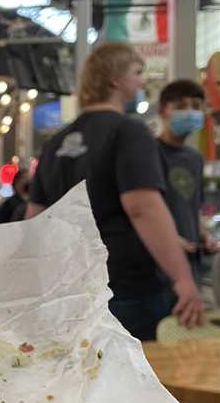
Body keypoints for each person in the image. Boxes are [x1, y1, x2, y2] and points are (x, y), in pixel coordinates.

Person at [27, 43, 204, 340]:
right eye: (137, 73)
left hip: (72, 291)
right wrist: (183, 278)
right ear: (115, 80)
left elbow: (35, 219)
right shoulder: (129, 132)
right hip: (127, 289)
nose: (142, 82)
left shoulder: (55, 143)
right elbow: (142, 208)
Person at [156, 78, 220, 282]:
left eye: (196, 106)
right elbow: (141, 210)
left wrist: (205, 237)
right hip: (158, 269)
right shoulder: (149, 152)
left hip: (192, 267)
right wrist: (168, 239)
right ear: (163, 111)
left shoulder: (195, 159)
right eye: (180, 106)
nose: (190, 112)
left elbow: (192, 211)